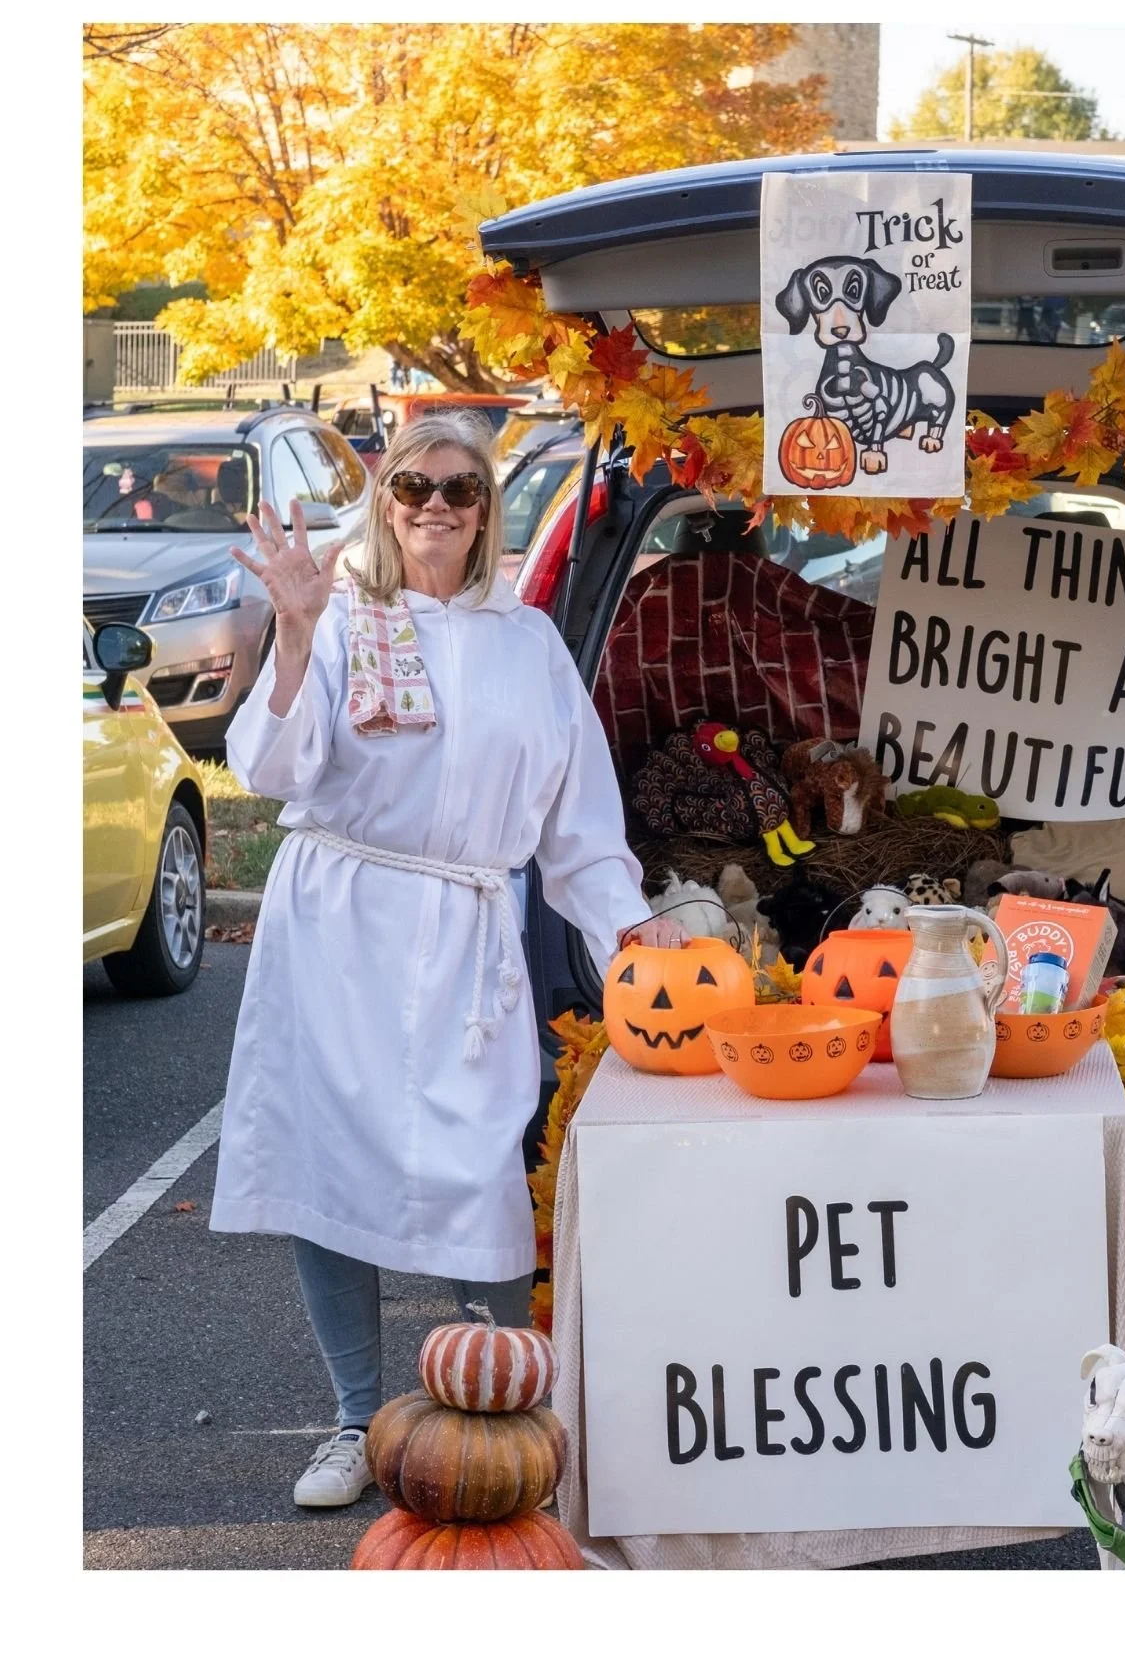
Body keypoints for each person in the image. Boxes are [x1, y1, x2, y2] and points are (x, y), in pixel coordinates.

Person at [209, 410, 683, 1508]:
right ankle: (352, 1416)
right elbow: (275, 769)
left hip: (469, 935)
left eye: (459, 489)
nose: (434, 504)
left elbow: (579, 824)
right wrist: (289, 632)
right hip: (338, 925)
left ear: (486, 512)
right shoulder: (339, 621)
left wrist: (631, 931)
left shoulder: (528, 646)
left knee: (479, 1178)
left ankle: (505, 1414)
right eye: (414, 484)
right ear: (387, 500)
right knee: (329, 1173)